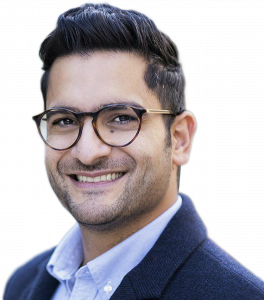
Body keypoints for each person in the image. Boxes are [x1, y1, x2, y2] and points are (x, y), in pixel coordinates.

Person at [2, 1, 264, 299]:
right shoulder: (23, 285)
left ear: (179, 138)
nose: (87, 152)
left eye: (121, 118)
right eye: (65, 120)